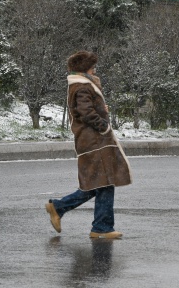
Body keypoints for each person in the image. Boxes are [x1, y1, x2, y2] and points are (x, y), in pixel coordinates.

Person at [45, 50, 132, 239]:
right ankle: (101, 227)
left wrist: (101, 108)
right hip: (94, 140)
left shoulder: (80, 85)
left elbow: (86, 108)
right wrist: (103, 126)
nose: (95, 71)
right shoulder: (83, 86)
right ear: (84, 70)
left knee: (101, 182)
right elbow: (85, 112)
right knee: (105, 181)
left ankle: (61, 209)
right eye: (92, 68)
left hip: (93, 140)